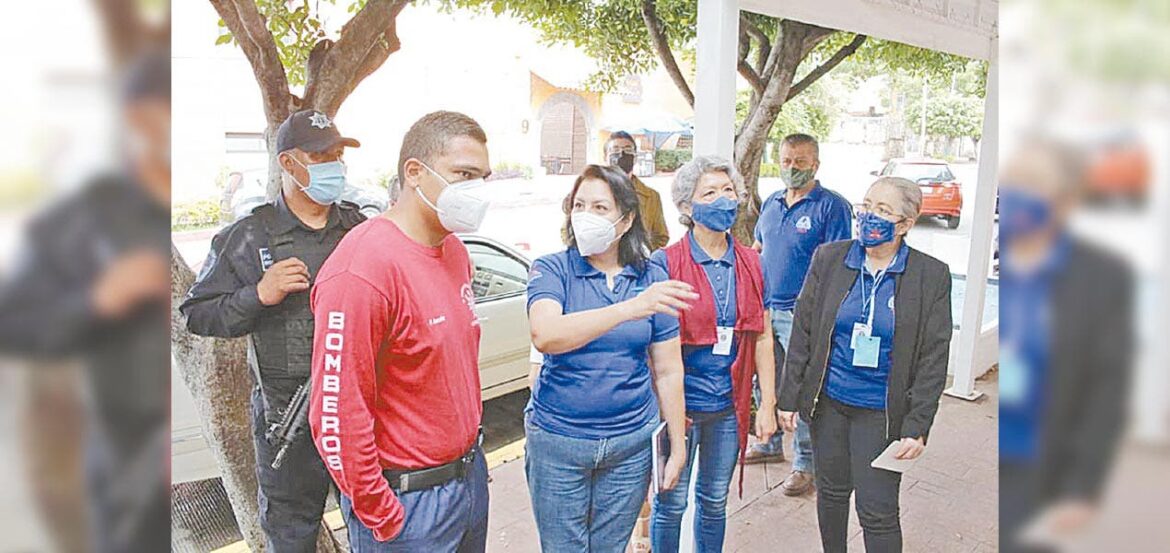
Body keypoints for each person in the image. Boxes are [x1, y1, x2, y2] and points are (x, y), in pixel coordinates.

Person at [0, 50, 172, 553]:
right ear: (136, 118)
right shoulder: (88, 216)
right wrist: (97, 300)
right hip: (127, 477)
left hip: (205, 456)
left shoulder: (223, 227)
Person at [181, 109, 366, 551]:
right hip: (289, 419)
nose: (334, 165)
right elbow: (197, 314)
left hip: (359, 412)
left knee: (373, 525)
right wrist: (258, 294)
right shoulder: (249, 237)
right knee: (291, 535)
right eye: (321, 155)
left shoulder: (360, 230)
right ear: (288, 163)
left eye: (338, 154)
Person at [308, 111, 493, 552]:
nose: (475, 190)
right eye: (463, 174)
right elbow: (335, 413)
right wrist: (383, 516)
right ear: (415, 173)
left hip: (466, 484)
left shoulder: (453, 251)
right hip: (409, 507)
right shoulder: (362, 268)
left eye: (482, 177)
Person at [778, 176, 952, 552]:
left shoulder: (930, 276)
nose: (870, 216)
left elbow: (933, 358)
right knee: (833, 495)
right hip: (830, 405)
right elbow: (804, 332)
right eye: (868, 205)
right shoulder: (830, 258)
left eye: (884, 211)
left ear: (905, 224)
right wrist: (789, 398)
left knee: (878, 509)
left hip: (882, 412)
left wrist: (918, 424)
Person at [526, 164, 694, 552]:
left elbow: (669, 370)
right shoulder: (553, 268)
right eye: (579, 205)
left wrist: (678, 445)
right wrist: (629, 309)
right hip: (559, 441)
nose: (586, 216)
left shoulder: (651, 275)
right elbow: (546, 334)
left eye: (600, 208)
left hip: (630, 444)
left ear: (626, 219)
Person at [997, 143, 1133, 553]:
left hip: (1042, 460)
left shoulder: (1101, 278)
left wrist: (1083, 487)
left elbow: (1108, 390)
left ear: (1067, 199)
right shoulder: (1002, 262)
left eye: (1034, 184)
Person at [648, 156, 778, 552]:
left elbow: (764, 338)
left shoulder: (752, 263)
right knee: (671, 502)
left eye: (728, 191)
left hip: (727, 407)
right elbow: (650, 349)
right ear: (687, 207)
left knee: (713, 501)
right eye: (710, 193)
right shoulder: (665, 264)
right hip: (679, 409)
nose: (723, 200)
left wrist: (768, 403)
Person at [749, 133, 853, 498]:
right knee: (766, 379)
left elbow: (840, 263)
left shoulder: (832, 207)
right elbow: (758, 248)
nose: (792, 167)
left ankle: (805, 464)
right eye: (787, 160)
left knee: (804, 390)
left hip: (801, 314)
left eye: (801, 161)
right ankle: (768, 442)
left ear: (816, 164)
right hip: (765, 309)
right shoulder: (772, 203)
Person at [607, 131, 670, 251]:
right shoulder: (590, 192)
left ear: (635, 157)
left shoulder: (651, 196)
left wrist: (641, 250)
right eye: (615, 150)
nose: (621, 154)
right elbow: (569, 231)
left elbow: (661, 237)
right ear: (606, 156)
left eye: (627, 150)